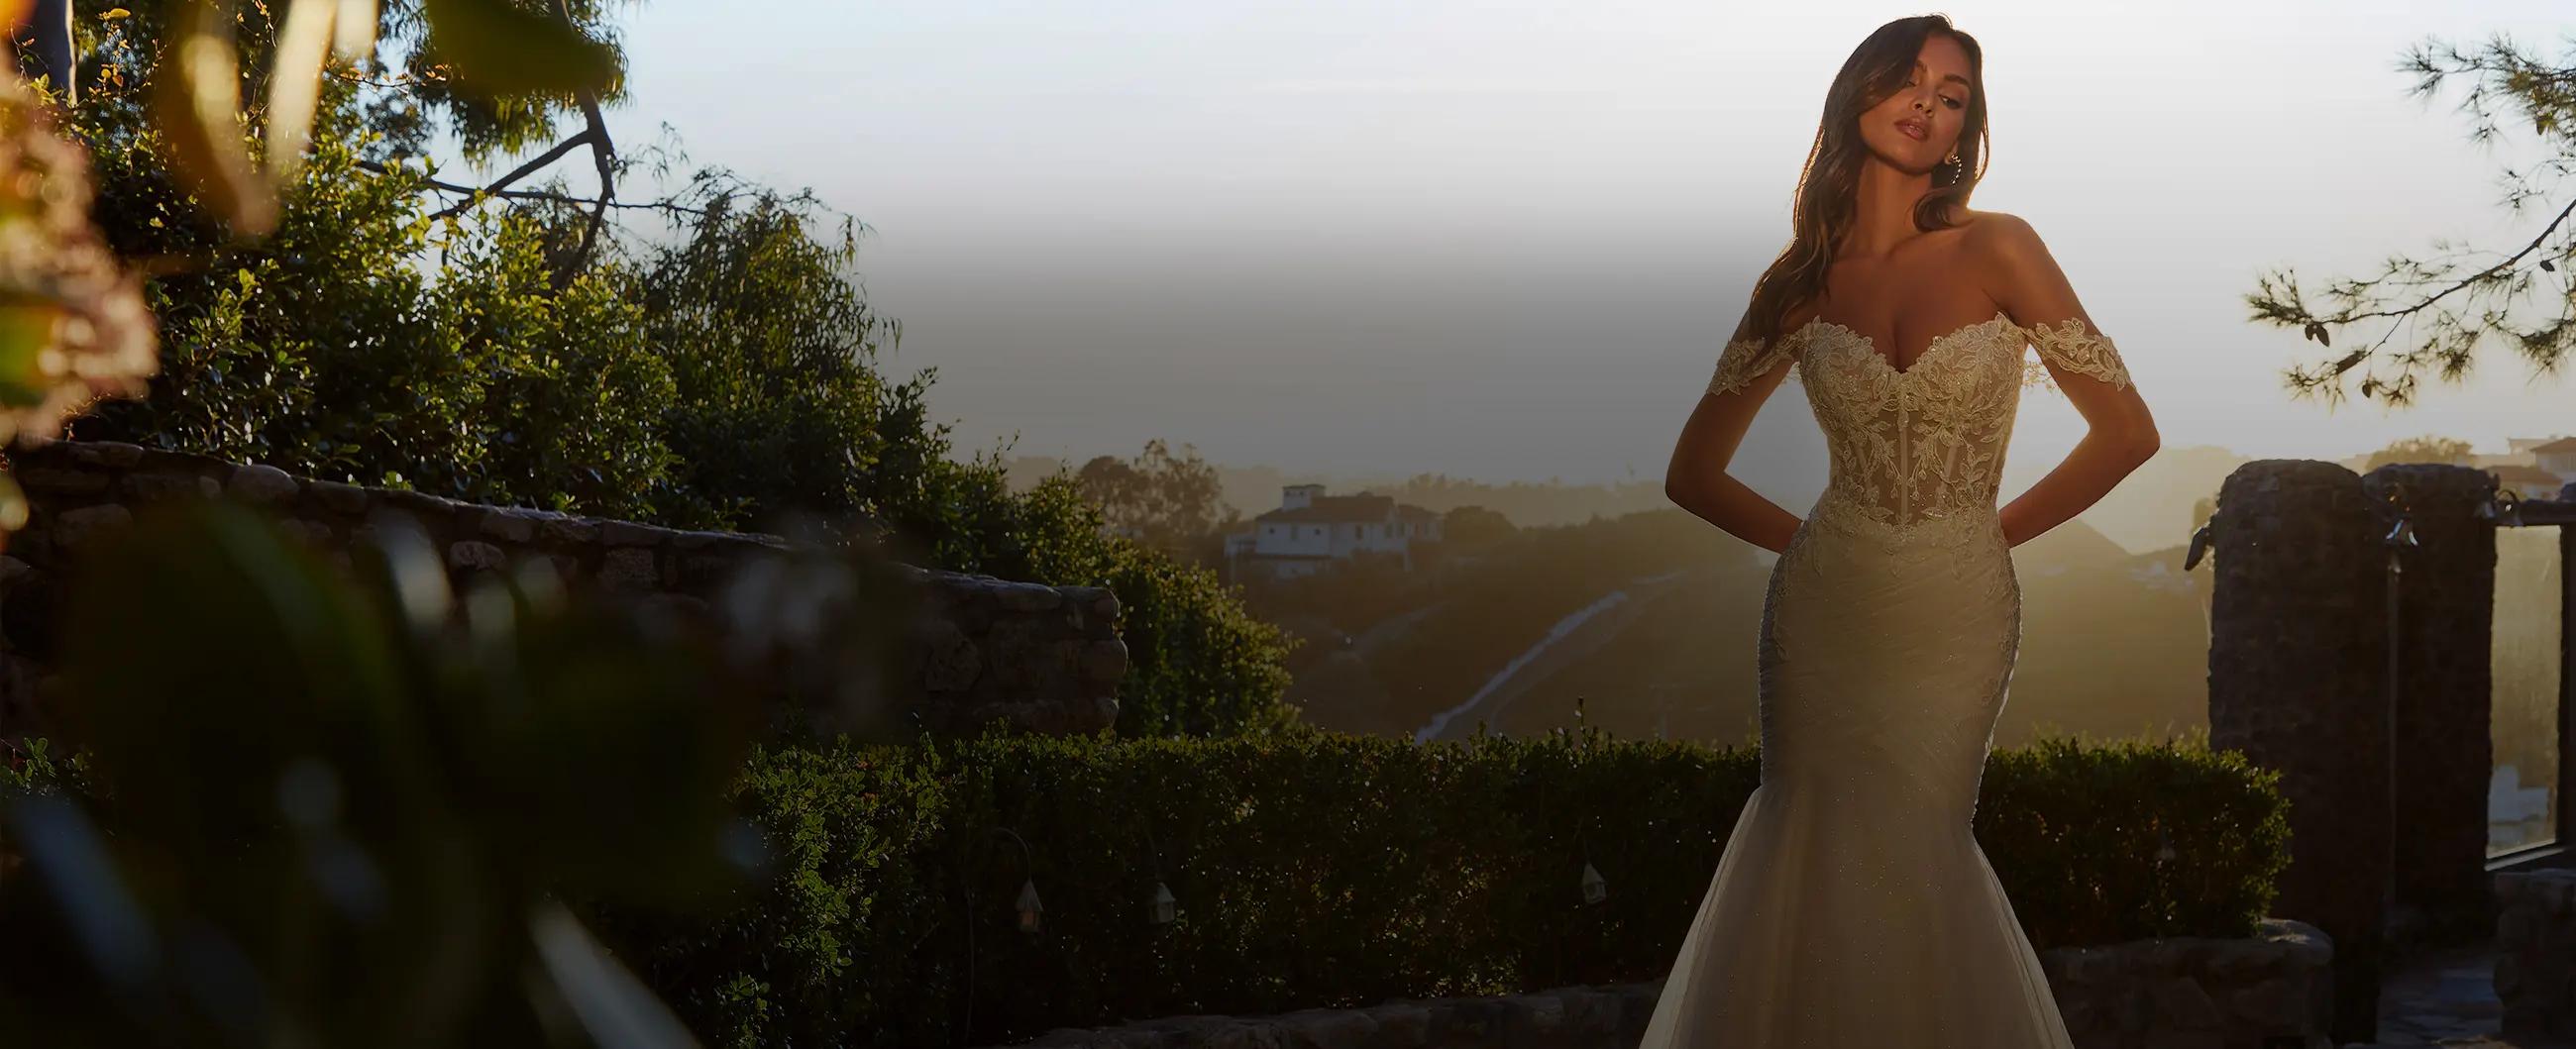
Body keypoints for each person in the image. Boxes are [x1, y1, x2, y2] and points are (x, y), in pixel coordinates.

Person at [1646, 14, 2159, 1048]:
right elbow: (1691, 474)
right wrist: (1816, 549)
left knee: (1917, 839)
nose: (1927, 104)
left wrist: (1980, 539)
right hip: (1824, 607)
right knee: (1806, 833)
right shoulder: (1793, 283)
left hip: (1955, 600)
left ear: (1966, 127)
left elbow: (2125, 434)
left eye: (1953, 94)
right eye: (1907, 80)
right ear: (1857, 94)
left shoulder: (2000, 246)